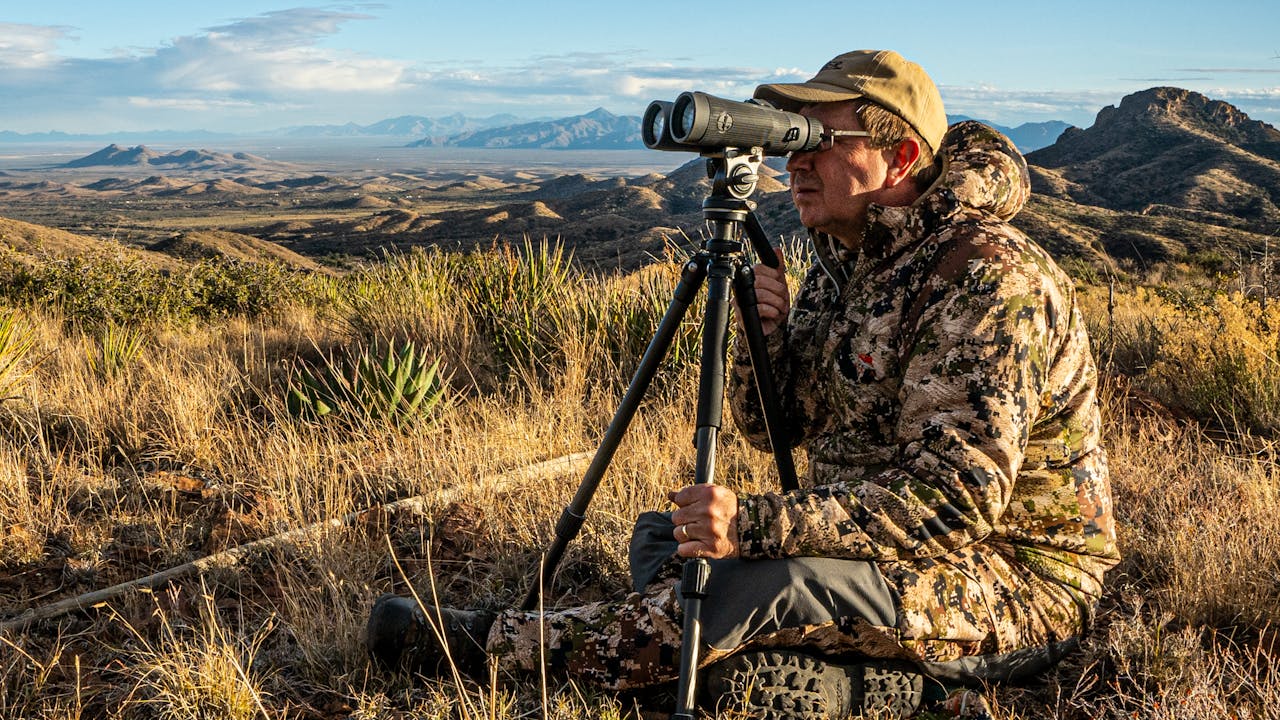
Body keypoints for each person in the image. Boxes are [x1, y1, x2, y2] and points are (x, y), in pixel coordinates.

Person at [365, 50, 1120, 719]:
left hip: (1017, 582)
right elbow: (777, 429)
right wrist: (768, 342)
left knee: (746, 582)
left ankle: (488, 647)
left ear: (899, 158)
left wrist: (755, 530)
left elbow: (954, 502)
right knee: (665, 538)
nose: (793, 161)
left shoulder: (985, 276)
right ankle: (752, 665)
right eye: (790, 139)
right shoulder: (843, 255)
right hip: (887, 556)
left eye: (820, 141)